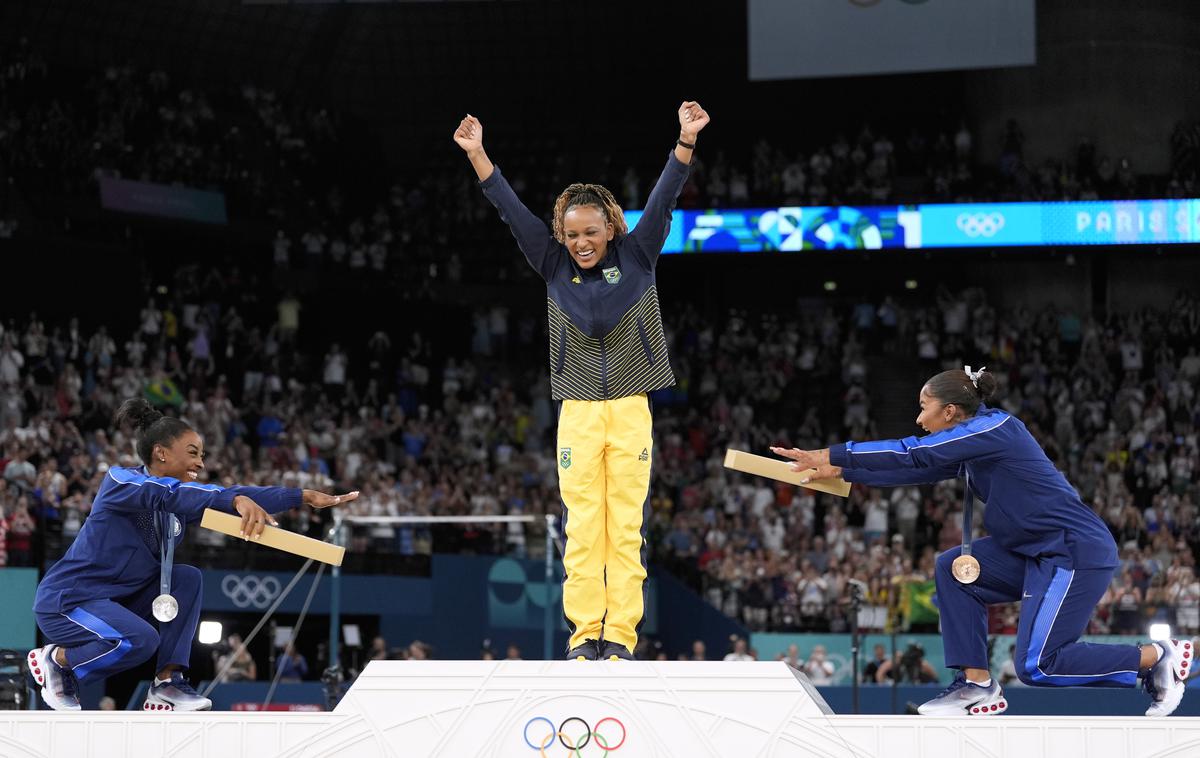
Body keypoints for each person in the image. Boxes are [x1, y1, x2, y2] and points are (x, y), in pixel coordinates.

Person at [771, 367, 1191, 718]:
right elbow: (918, 470)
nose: (919, 418)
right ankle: (977, 684)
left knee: (1037, 665)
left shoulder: (997, 428)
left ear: (949, 410)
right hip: (1032, 552)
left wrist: (832, 454)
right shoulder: (973, 442)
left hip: (1072, 550)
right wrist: (843, 474)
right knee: (951, 570)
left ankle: (1156, 658)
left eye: (923, 408)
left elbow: (915, 453)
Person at [454, 101, 710, 661]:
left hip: (630, 408)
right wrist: (478, 154)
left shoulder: (639, 254)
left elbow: (665, 196)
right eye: (571, 234)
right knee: (581, 529)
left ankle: (618, 637)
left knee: (625, 529)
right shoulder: (551, 264)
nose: (581, 243)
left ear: (611, 227)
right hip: (577, 412)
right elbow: (510, 210)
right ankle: (582, 636)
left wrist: (684, 141)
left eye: (591, 232)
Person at [29, 398, 358, 711]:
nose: (201, 462)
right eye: (192, 453)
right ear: (160, 453)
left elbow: (221, 495)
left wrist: (299, 496)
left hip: (118, 601)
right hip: (68, 601)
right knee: (140, 639)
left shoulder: (180, 504)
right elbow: (176, 493)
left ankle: (167, 681)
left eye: (202, 454)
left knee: (187, 578)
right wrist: (232, 501)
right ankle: (57, 661)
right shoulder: (120, 481)